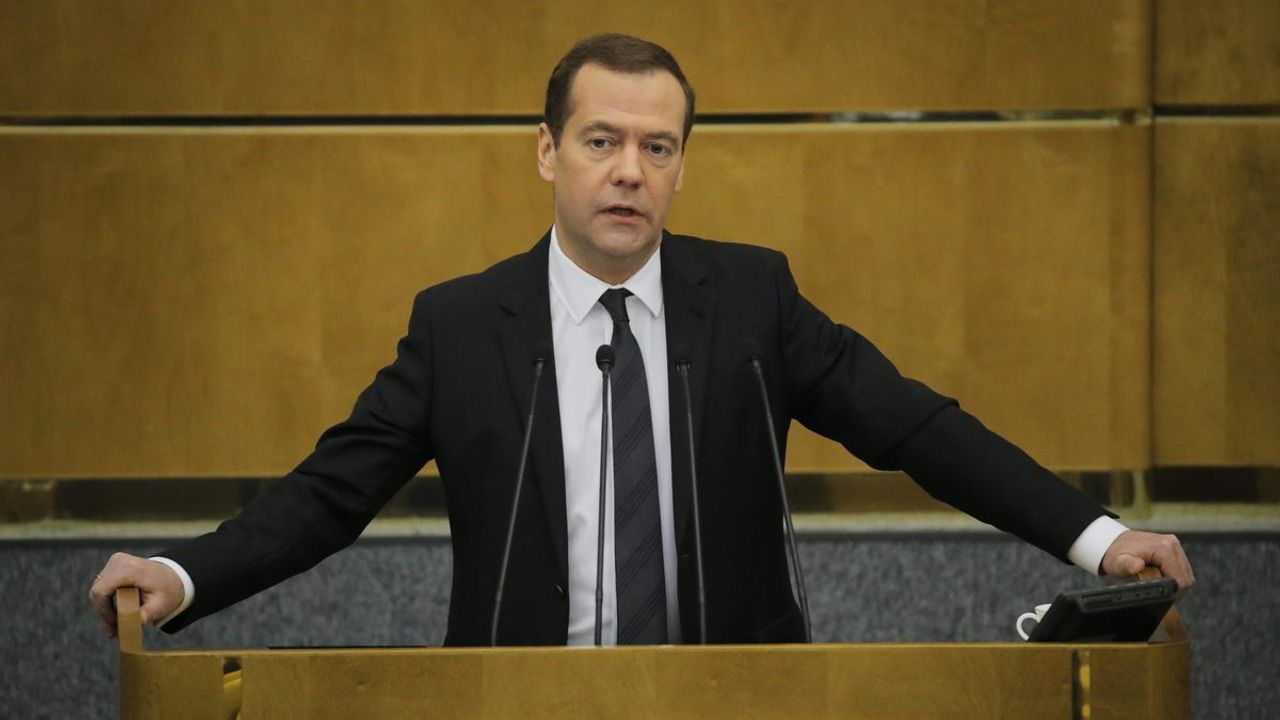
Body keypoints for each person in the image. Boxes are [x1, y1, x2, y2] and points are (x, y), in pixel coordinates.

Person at [89, 33, 1193, 646]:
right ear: (546, 152)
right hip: (522, 705)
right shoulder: (462, 325)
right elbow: (328, 497)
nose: (629, 170)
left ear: (681, 167)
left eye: (657, 148)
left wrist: (1097, 540)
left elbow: (915, 428)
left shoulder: (751, 301)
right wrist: (182, 574)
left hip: (732, 703)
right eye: (601, 140)